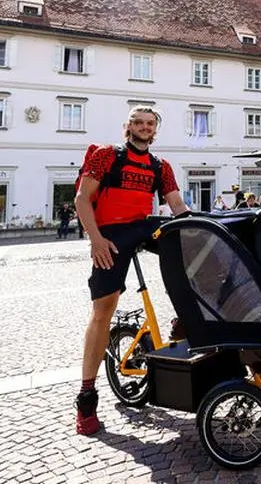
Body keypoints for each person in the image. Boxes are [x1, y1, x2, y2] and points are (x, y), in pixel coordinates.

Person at [74, 105, 187, 436]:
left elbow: (177, 206)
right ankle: (86, 396)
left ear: (155, 129)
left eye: (149, 123)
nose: (143, 127)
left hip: (142, 227)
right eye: (138, 122)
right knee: (102, 312)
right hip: (110, 234)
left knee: (187, 242)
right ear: (128, 126)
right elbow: (83, 198)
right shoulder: (108, 155)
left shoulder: (159, 165)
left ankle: (183, 318)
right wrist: (95, 240)